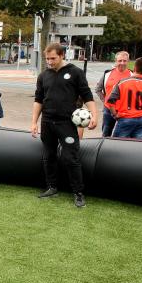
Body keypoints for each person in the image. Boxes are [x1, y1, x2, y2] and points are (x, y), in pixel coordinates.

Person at [31, 43, 97, 208]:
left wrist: (94, 115)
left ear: (62, 55)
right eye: (47, 59)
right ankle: (52, 187)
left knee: (70, 158)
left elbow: (87, 95)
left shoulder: (75, 72)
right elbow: (38, 100)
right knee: (49, 156)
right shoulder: (43, 75)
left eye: (53, 58)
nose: (50, 62)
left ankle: (78, 193)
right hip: (47, 122)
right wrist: (33, 122)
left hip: (66, 123)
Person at [95, 51, 132, 137]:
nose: (122, 63)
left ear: (128, 61)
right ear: (116, 61)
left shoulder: (132, 75)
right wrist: (105, 101)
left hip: (125, 111)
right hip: (108, 110)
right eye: (120, 61)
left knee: (122, 135)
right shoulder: (107, 74)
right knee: (106, 133)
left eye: (124, 61)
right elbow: (98, 89)